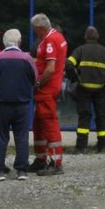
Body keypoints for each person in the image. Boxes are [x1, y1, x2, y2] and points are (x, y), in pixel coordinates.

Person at [0, 29, 34, 181]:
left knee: (0, 137)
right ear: (19, 42)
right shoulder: (27, 58)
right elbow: (34, 78)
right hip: (22, 104)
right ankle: (22, 170)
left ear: (4, 42)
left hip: (1, 104)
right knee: (21, 137)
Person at [29, 14, 68, 174]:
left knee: (49, 124)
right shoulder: (57, 37)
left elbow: (50, 68)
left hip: (46, 89)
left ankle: (55, 162)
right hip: (47, 89)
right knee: (39, 124)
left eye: (35, 30)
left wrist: (38, 83)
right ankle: (41, 158)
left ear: (39, 28)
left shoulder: (50, 40)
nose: (35, 33)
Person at [67, 26, 105, 153]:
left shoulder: (80, 50)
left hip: (83, 88)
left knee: (84, 116)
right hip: (100, 89)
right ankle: (103, 145)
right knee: (101, 116)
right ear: (98, 37)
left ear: (85, 37)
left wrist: (75, 79)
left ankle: (82, 146)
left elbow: (69, 64)